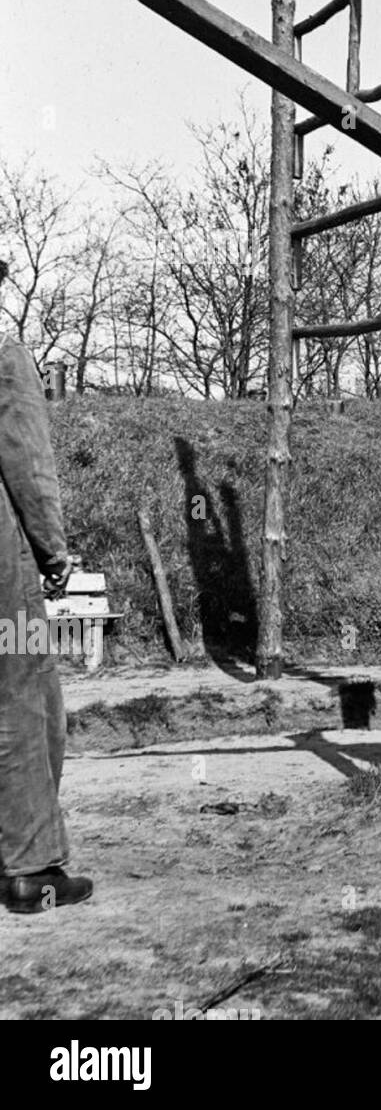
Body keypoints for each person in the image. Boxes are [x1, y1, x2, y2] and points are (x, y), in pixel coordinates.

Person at [0, 268, 92, 913]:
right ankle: (31, 868)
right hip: (5, 580)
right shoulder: (4, 357)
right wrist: (54, 554)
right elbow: (30, 467)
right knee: (27, 705)